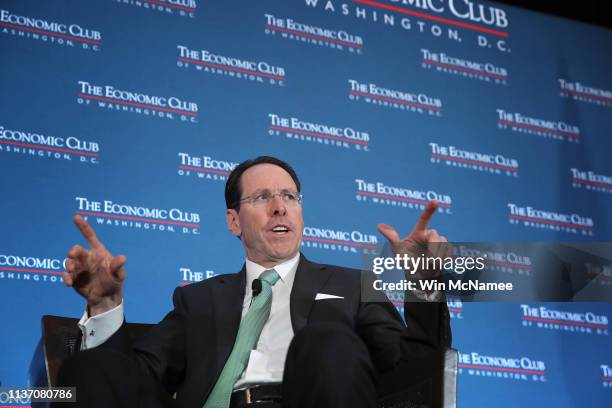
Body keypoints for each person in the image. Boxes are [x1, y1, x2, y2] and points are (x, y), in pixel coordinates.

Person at [57, 156, 452, 408]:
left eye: (290, 196)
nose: (280, 206)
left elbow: (414, 373)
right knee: (90, 368)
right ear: (234, 222)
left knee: (326, 339)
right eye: (262, 197)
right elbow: (133, 379)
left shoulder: (353, 284)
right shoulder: (199, 299)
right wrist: (105, 307)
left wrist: (425, 283)